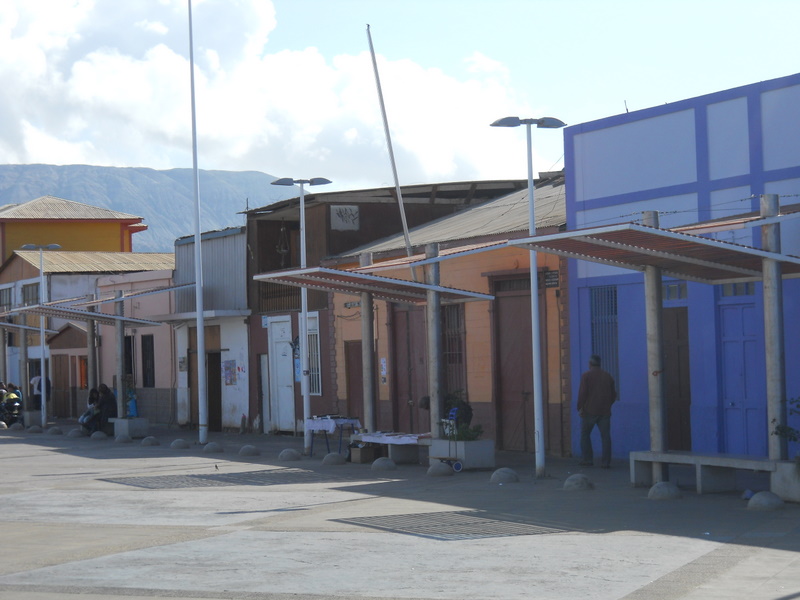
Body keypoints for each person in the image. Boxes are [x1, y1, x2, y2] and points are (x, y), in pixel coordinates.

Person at [577, 354, 617, 468]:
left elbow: (582, 394)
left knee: (585, 434)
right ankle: (606, 462)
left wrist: (580, 407)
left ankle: (587, 459)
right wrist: (607, 405)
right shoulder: (608, 376)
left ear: (590, 364)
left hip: (589, 411)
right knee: (605, 437)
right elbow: (613, 395)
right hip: (605, 412)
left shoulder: (586, 376)